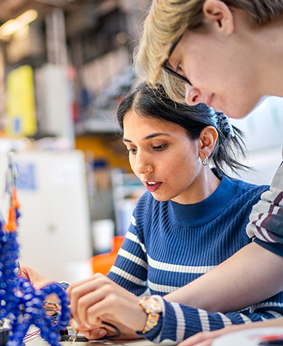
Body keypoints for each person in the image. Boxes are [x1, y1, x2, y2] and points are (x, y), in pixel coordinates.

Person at [21, 82, 283, 343]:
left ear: (205, 142)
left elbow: (267, 325)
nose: (141, 166)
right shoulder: (149, 209)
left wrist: (153, 319)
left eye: (158, 147)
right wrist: (54, 294)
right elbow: (117, 296)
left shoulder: (261, 213)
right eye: (132, 149)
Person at [132, 1, 283, 344]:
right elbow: (276, 249)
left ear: (218, 17)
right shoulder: (147, 211)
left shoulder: (245, 203)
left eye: (181, 65)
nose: (191, 94)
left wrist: (150, 313)